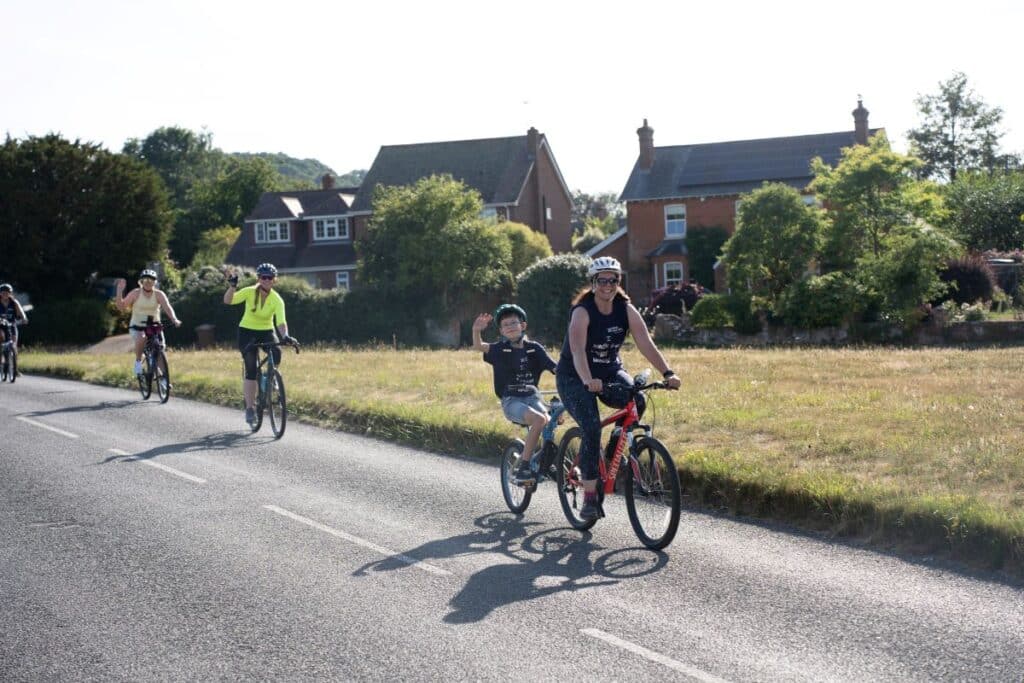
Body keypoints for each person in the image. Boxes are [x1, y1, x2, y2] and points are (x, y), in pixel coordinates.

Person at [555, 256, 681, 520]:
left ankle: (613, 452)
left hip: (609, 371)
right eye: (602, 280)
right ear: (593, 282)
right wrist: (588, 379)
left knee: (638, 400)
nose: (608, 285)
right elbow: (577, 350)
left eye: (613, 279)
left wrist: (667, 372)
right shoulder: (582, 311)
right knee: (590, 427)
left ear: (618, 282)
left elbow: (646, 343)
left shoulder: (625, 309)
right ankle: (590, 495)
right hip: (574, 376)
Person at [472, 303, 557, 485]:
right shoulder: (499, 349)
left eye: (513, 323)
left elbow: (556, 368)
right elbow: (479, 346)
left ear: (523, 326)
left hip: (533, 397)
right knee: (539, 420)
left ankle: (545, 462)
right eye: (505, 325)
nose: (510, 327)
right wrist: (476, 331)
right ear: (501, 331)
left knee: (551, 421)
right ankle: (524, 467)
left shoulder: (535, 348)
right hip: (512, 400)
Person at [223, 263, 296, 426]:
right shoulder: (249, 292)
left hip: (266, 330)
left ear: (274, 280)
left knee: (277, 351)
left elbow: (281, 322)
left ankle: (270, 377)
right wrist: (232, 287)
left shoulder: (277, 299)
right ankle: (250, 408)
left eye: (269, 278)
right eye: (263, 277)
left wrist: (285, 335)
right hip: (247, 332)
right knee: (251, 367)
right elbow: (229, 301)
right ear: (258, 279)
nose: (266, 280)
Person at [115, 270, 182, 376]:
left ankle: (164, 378)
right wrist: (119, 291)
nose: (148, 282)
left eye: (151, 279)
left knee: (160, 350)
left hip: (154, 326)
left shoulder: (159, 294)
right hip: (137, 326)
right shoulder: (136, 293)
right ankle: (138, 363)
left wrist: (174, 319)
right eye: (145, 279)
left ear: (155, 282)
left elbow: (167, 307)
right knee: (142, 337)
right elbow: (121, 307)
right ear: (141, 281)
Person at [0, 284, 28, 369]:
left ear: (10, 293)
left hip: (11, 324)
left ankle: (15, 368)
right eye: (3, 292)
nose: (5, 294)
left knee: (14, 345)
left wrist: (24, 318)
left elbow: (21, 311)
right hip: (0, 325)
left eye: (7, 293)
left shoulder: (14, 302)